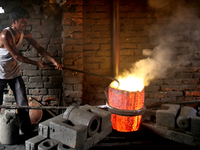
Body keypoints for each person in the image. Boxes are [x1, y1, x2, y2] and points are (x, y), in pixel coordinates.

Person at [0, 6, 63, 136]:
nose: (25, 24)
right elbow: (16, 56)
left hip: (14, 73)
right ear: (13, 21)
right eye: (22, 22)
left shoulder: (25, 33)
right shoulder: (5, 35)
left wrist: (53, 61)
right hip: (0, 73)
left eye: (26, 21)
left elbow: (39, 48)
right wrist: (36, 63)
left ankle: (26, 130)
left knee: (23, 103)